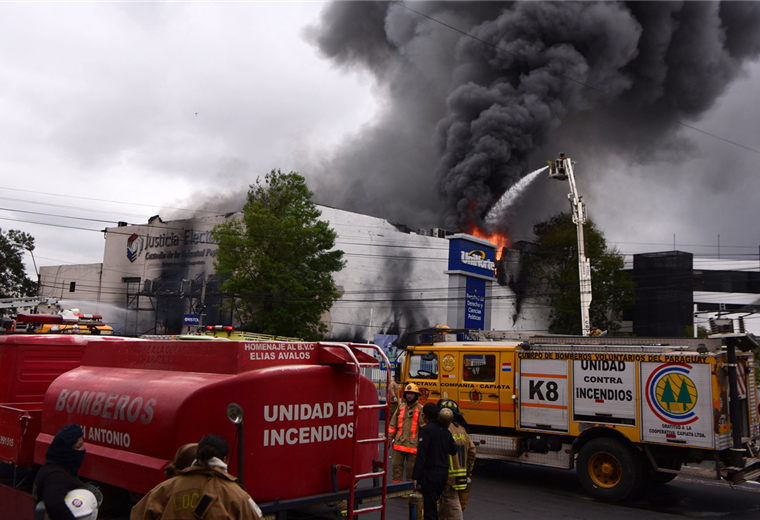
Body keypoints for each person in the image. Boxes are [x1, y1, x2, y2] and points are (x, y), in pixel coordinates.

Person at [130, 434, 262, 520]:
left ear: (197, 456)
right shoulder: (237, 496)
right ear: (225, 459)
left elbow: (137, 515)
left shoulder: (165, 489)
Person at [411, 403, 457, 520]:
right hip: (443, 474)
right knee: (435, 502)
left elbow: (421, 454)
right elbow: (453, 450)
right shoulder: (446, 431)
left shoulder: (426, 430)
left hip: (430, 475)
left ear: (424, 416)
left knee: (429, 509)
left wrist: (415, 476)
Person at [32, 424, 88, 520]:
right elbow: (55, 505)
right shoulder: (56, 475)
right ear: (65, 450)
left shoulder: (62, 469)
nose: (82, 450)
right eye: (78, 446)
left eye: (82, 445)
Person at [437, 400, 476, 520]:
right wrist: (469, 469)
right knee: (445, 503)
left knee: (451, 503)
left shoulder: (444, 430)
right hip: (461, 475)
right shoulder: (462, 430)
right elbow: (472, 451)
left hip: (447, 475)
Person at [388, 383, 425, 483]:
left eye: (412, 394)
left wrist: (423, 445)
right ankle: (397, 491)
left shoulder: (421, 409)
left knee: (411, 472)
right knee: (396, 469)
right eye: (408, 393)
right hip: (398, 445)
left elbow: (424, 429)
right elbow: (392, 425)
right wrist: (389, 439)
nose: (409, 396)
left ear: (416, 395)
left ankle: (409, 492)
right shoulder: (401, 408)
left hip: (413, 447)